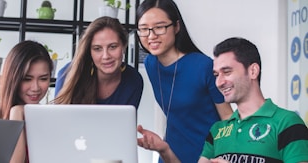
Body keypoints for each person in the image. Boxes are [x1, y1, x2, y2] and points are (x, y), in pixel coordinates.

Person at [137, 37, 308, 163]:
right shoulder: (217, 130)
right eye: (216, 75)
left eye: (227, 72)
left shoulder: (288, 123)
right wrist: (165, 150)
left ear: (253, 71)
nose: (219, 82)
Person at [135, 0, 233, 162]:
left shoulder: (203, 66)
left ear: (176, 27)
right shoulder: (151, 64)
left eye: (159, 27)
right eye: (144, 29)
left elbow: (228, 117)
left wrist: (226, 156)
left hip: (207, 155)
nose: (151, 36)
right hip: (170, 155)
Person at [0, 40, 53, 163]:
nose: (35, 88)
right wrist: (17, 113)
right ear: (13, 78)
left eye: (43, 79)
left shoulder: (42, 114)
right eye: (27, 79)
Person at [53, 16, 143, 108]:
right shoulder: (67, 74)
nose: (106, 56)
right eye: (97, 49)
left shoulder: (134, 80)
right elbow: (58, 120)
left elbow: (126, 121)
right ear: (89, 51)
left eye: (113, 47)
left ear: (124, 46)